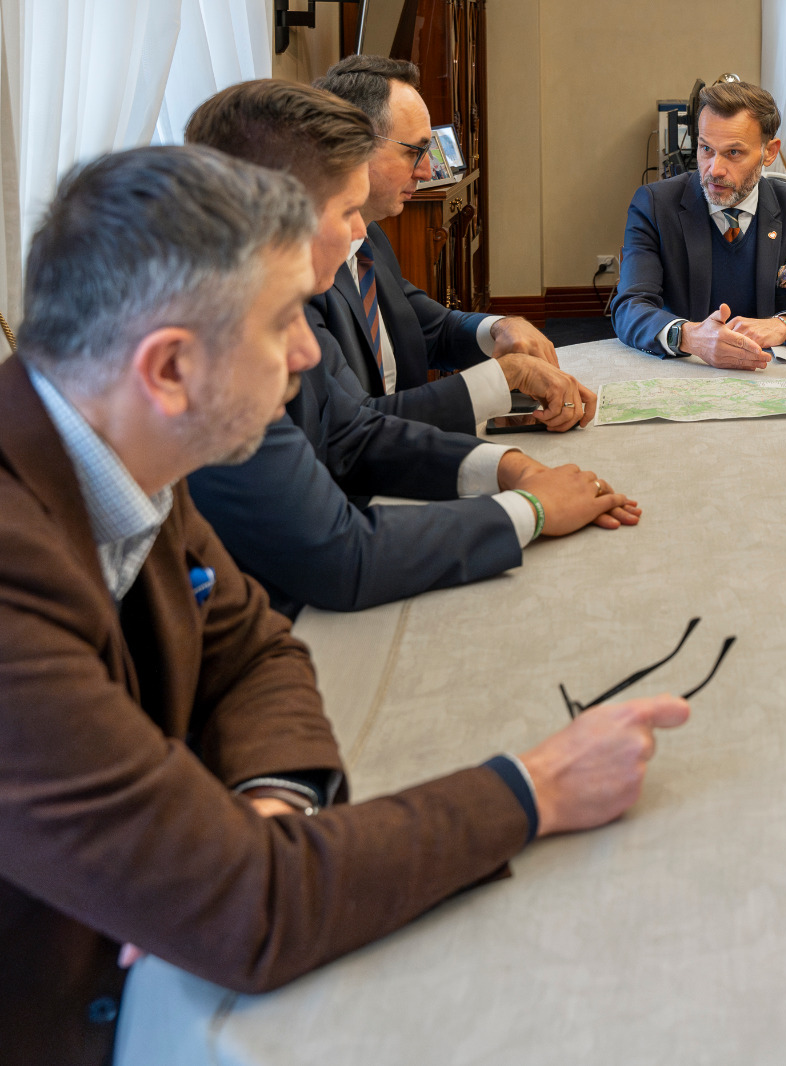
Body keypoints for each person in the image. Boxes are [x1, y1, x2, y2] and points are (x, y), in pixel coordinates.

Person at [0, 145, 691, 1066]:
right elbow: (249, 910)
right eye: (282, 320)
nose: (308, 353)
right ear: (167, 371)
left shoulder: (113, 444)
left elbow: (255, 650)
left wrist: (273, 797)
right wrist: (535, 789)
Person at [183, 80, 638, 617]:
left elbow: (350, 431)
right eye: (346, 212)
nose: (361, 230)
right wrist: (531, 510)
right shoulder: (218, 351)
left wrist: (506, 467)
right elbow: (338, 554)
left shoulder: (270, 293)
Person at [310, 55, 573, 436]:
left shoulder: (371, 236)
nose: (426, 171)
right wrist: (505, 378)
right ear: (351, 145)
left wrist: (502, 326)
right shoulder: (304, 270)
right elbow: (353, 427)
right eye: (413, 151)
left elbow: (431, 329)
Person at [610, 79, 786, 369]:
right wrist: (689, 337)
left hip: (768, 373)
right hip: (684, 368)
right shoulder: (655, 206)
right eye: (706, 149)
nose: (715, 170)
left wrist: (784, 323)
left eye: (733, 152)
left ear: (769, 152)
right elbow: (629, 307)